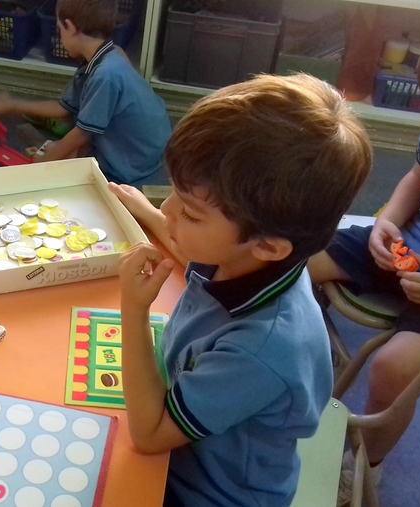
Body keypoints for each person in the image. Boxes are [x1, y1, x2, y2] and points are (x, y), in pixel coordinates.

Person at [117, 74, 372, 506]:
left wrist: (133, 310)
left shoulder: (261, 348)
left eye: (190, 213)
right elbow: (193, 251)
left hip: (207, 493)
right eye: (174, 193)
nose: (167, 209)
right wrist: (145, 212)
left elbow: (150, 434)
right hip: (185, 447)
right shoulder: (258, 259)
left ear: (267, 245)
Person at [307, 6, 420, 502]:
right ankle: (307, 359)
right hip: (408, 246)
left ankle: (365, 466)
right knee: (295, 258)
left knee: (392, 369)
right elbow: (418, 178)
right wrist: (386, 221)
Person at [0, 0, 171, 188]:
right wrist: (12, 104)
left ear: (70, 27)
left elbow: (82, 134)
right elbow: (64, 108)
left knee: (65, 156)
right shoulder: (109, 54)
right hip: (150, 150)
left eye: (59, 29)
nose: (59, 36)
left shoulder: (106, 74)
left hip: (136, 168)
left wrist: (42, 165)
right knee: (64, 146)